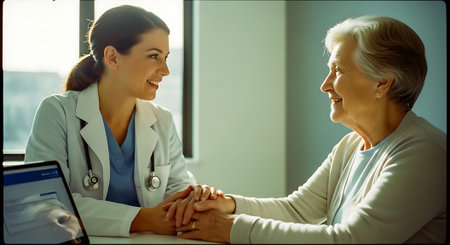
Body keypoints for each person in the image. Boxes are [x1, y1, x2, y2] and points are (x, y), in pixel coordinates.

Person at [164, 16, 446, 243]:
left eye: (338, 71)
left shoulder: (424, 152)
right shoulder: (350, 146)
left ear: (382, 84)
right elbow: (297, 210)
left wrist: (230, 228)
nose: (325, 85)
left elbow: (353, 239)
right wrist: (227, 205)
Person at [25, 5, 220, 237]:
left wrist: (193, 200)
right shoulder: (57, 112)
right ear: (113, 57)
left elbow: (177, 189)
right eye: (154, 56)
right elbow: (45, 202)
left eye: (165, 58)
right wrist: (143, 219)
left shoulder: (162, 120)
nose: (166, 70)